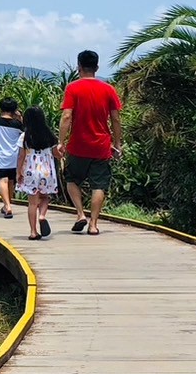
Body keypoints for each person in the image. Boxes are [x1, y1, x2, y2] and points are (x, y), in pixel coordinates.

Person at [58, 48, 123, 236]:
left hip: (78, 145)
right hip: (101, 146)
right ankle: (93, 224)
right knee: (99, 185)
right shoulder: (108, 89)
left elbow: (67, 115)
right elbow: (116, 119)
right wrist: (117, 144)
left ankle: (80, 214)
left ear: (79, 67)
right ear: (97, 67)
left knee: (71, 179)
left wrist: (61, 142)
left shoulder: (73, 88)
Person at [17, 106, 59, 240]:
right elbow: (55, 152)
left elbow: (21, 156)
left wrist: (19, 172)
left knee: (32, 203)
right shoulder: (49, 134)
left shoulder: (25, 136)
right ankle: (42, 216)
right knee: (45, 197)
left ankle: (33, 232)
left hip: (31, 170)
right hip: (47, 171)